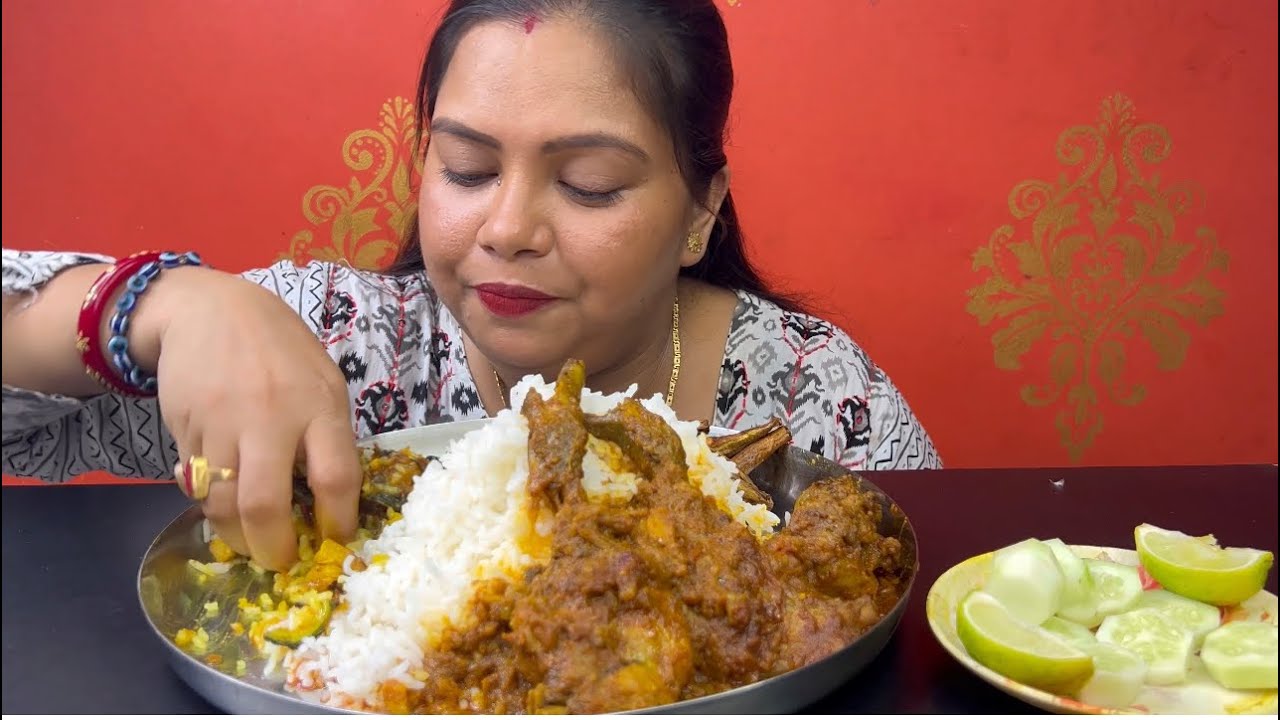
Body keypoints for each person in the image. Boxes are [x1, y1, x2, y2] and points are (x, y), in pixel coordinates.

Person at [1, 0, 940, 573]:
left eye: (588, 185)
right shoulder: (336, 344)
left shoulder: (820, 399)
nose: (506, 230)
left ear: (701, 210)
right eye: (465, 169)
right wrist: (164, 305)